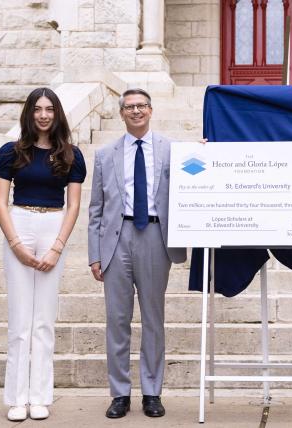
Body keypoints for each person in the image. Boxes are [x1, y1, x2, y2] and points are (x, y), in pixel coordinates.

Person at [87, 88, 187, 419]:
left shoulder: (172, 150)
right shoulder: (105, 155)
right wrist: (94, 254)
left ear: (151, 109)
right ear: (121, 114)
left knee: (153, 319)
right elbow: (95, 210)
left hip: (156, 236)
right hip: (117, 240)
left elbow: (195, 176)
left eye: (141, 105)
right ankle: (119, 394)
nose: (136, 111)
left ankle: (152, 392)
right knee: (117, 321)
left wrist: (203, 156)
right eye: (129, 107)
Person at [0, 87, 86, 421]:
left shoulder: (71, 155)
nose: (43, 115)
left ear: (57, 113)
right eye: (37, 109)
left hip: (53, 226)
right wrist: (16, 243)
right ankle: (17, 398)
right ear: (29, 113)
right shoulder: (10, 152)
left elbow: (74, 205)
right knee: (20, 321)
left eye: (49, 109)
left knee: (44, 321)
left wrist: (57, 247)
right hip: (19, 223)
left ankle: (40, 396)